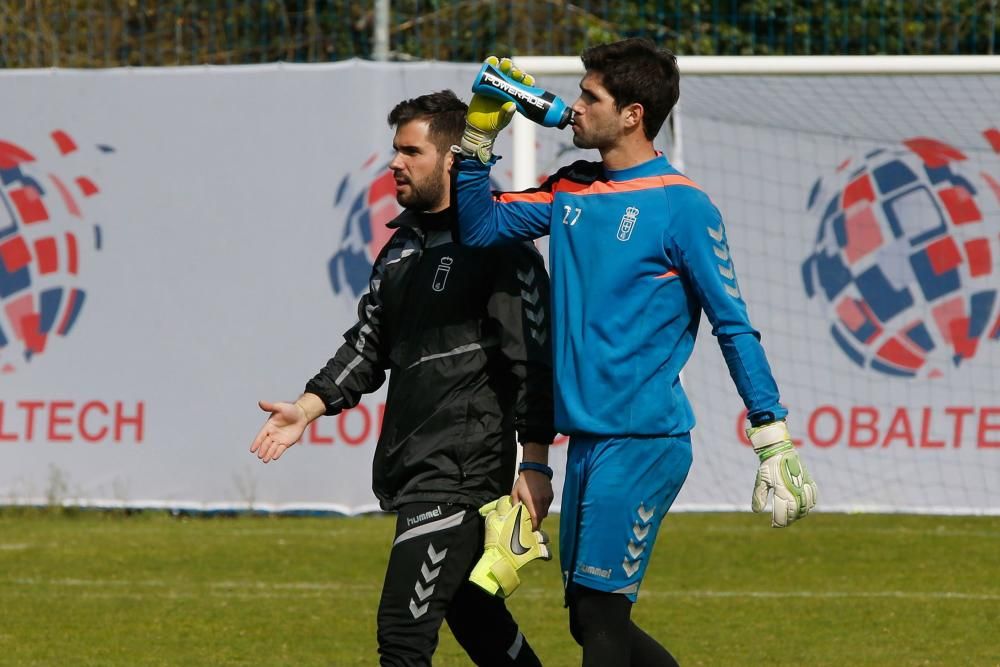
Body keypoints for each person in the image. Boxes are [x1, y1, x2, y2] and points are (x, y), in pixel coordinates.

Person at [452, 42, 818, 666]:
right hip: (589, 442)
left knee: (599, 616)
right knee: (591, 622)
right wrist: (479, 133)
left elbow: (733, 324)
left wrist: (772, 432)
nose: (575, 107)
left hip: (644, 439)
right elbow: (480, 226)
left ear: (632, 114)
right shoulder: (571, 187)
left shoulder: (681, 204)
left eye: (590, 97)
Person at [250, 89, 556, 667]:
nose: (395, 163)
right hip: (413, 464)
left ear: (450, 160)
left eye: (410, 151)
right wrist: (308, 407)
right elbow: (368, 345)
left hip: (461, 473)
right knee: (473, 613)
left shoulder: (500, 249)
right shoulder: (399, 249)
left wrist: (535, 463)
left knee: (403, 634)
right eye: (395, 150)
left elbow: (532, 361)